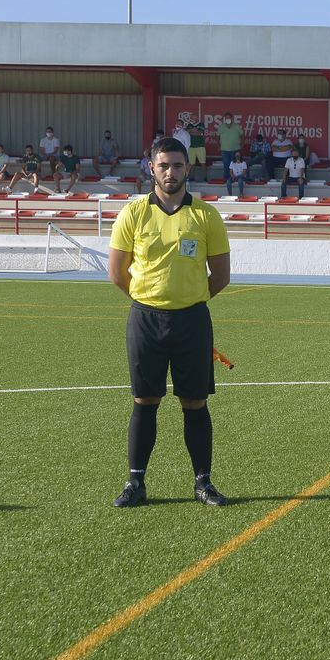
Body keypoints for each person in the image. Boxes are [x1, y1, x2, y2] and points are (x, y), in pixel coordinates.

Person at [107, 136, 231, 509]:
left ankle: (203, 483)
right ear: (152, 168)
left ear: (187, 168)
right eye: (163, 165)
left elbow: (221, 275)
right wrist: (151, 300)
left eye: (177, 165)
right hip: (145, 318)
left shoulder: (206, 215)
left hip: (192, 320)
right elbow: (117, 271)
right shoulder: (134, 213)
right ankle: (136, 483)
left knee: (195, 402)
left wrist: (187, 300)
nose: (170, 172)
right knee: (145, 400)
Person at [216, 116, 243, 183]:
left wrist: (242, 144)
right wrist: (219, 145)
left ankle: (236, 179)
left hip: (235, 149)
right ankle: (227, 179)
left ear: (232, 118)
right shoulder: (221, 127)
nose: (228, 119)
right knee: (226, 164)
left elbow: (242, 135)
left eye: (229, 117)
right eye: (226, 117)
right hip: (224, 150)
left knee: (236, 164)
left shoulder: (237, 126)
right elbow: (217, 136)